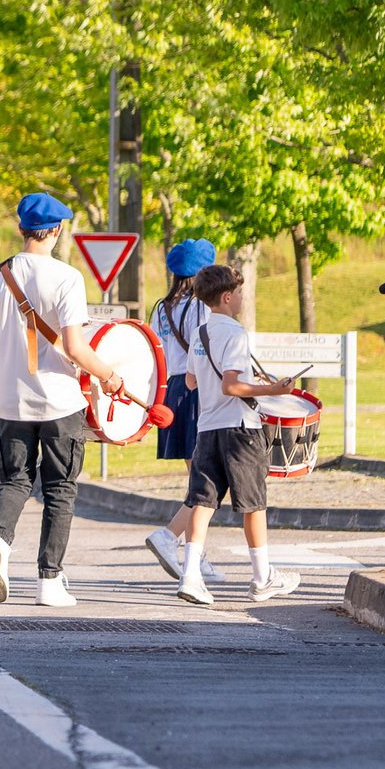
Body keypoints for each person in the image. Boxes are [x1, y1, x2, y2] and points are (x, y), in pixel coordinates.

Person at [0, 193, 123, 608]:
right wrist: (110, 376)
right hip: (59, 401)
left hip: (10, 402)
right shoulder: (66, 277)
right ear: (56, 230)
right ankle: (49, 582)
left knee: (14, 481)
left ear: (21, 229)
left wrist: (14, 357)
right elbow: (75, 347)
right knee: (59, 489)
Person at [176, 264, 301, 606]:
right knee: (253, 505)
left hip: (207, 427)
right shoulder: (235, 333)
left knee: (202, 503)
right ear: (227, 297)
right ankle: (262, 578)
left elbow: (191, 380)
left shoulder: (201, 333)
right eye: (240, 292)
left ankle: (190, 577)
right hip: (240, 428)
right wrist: (273, 388)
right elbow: (231, 386)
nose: (243, 298)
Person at [142, 239, 223, 584]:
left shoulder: (162, 308)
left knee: (198, 477)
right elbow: (205, 349)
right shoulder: (201, 307)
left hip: (172, 389)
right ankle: (172, 537)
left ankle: (196, 554)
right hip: (196, 387)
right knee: (206, 478)